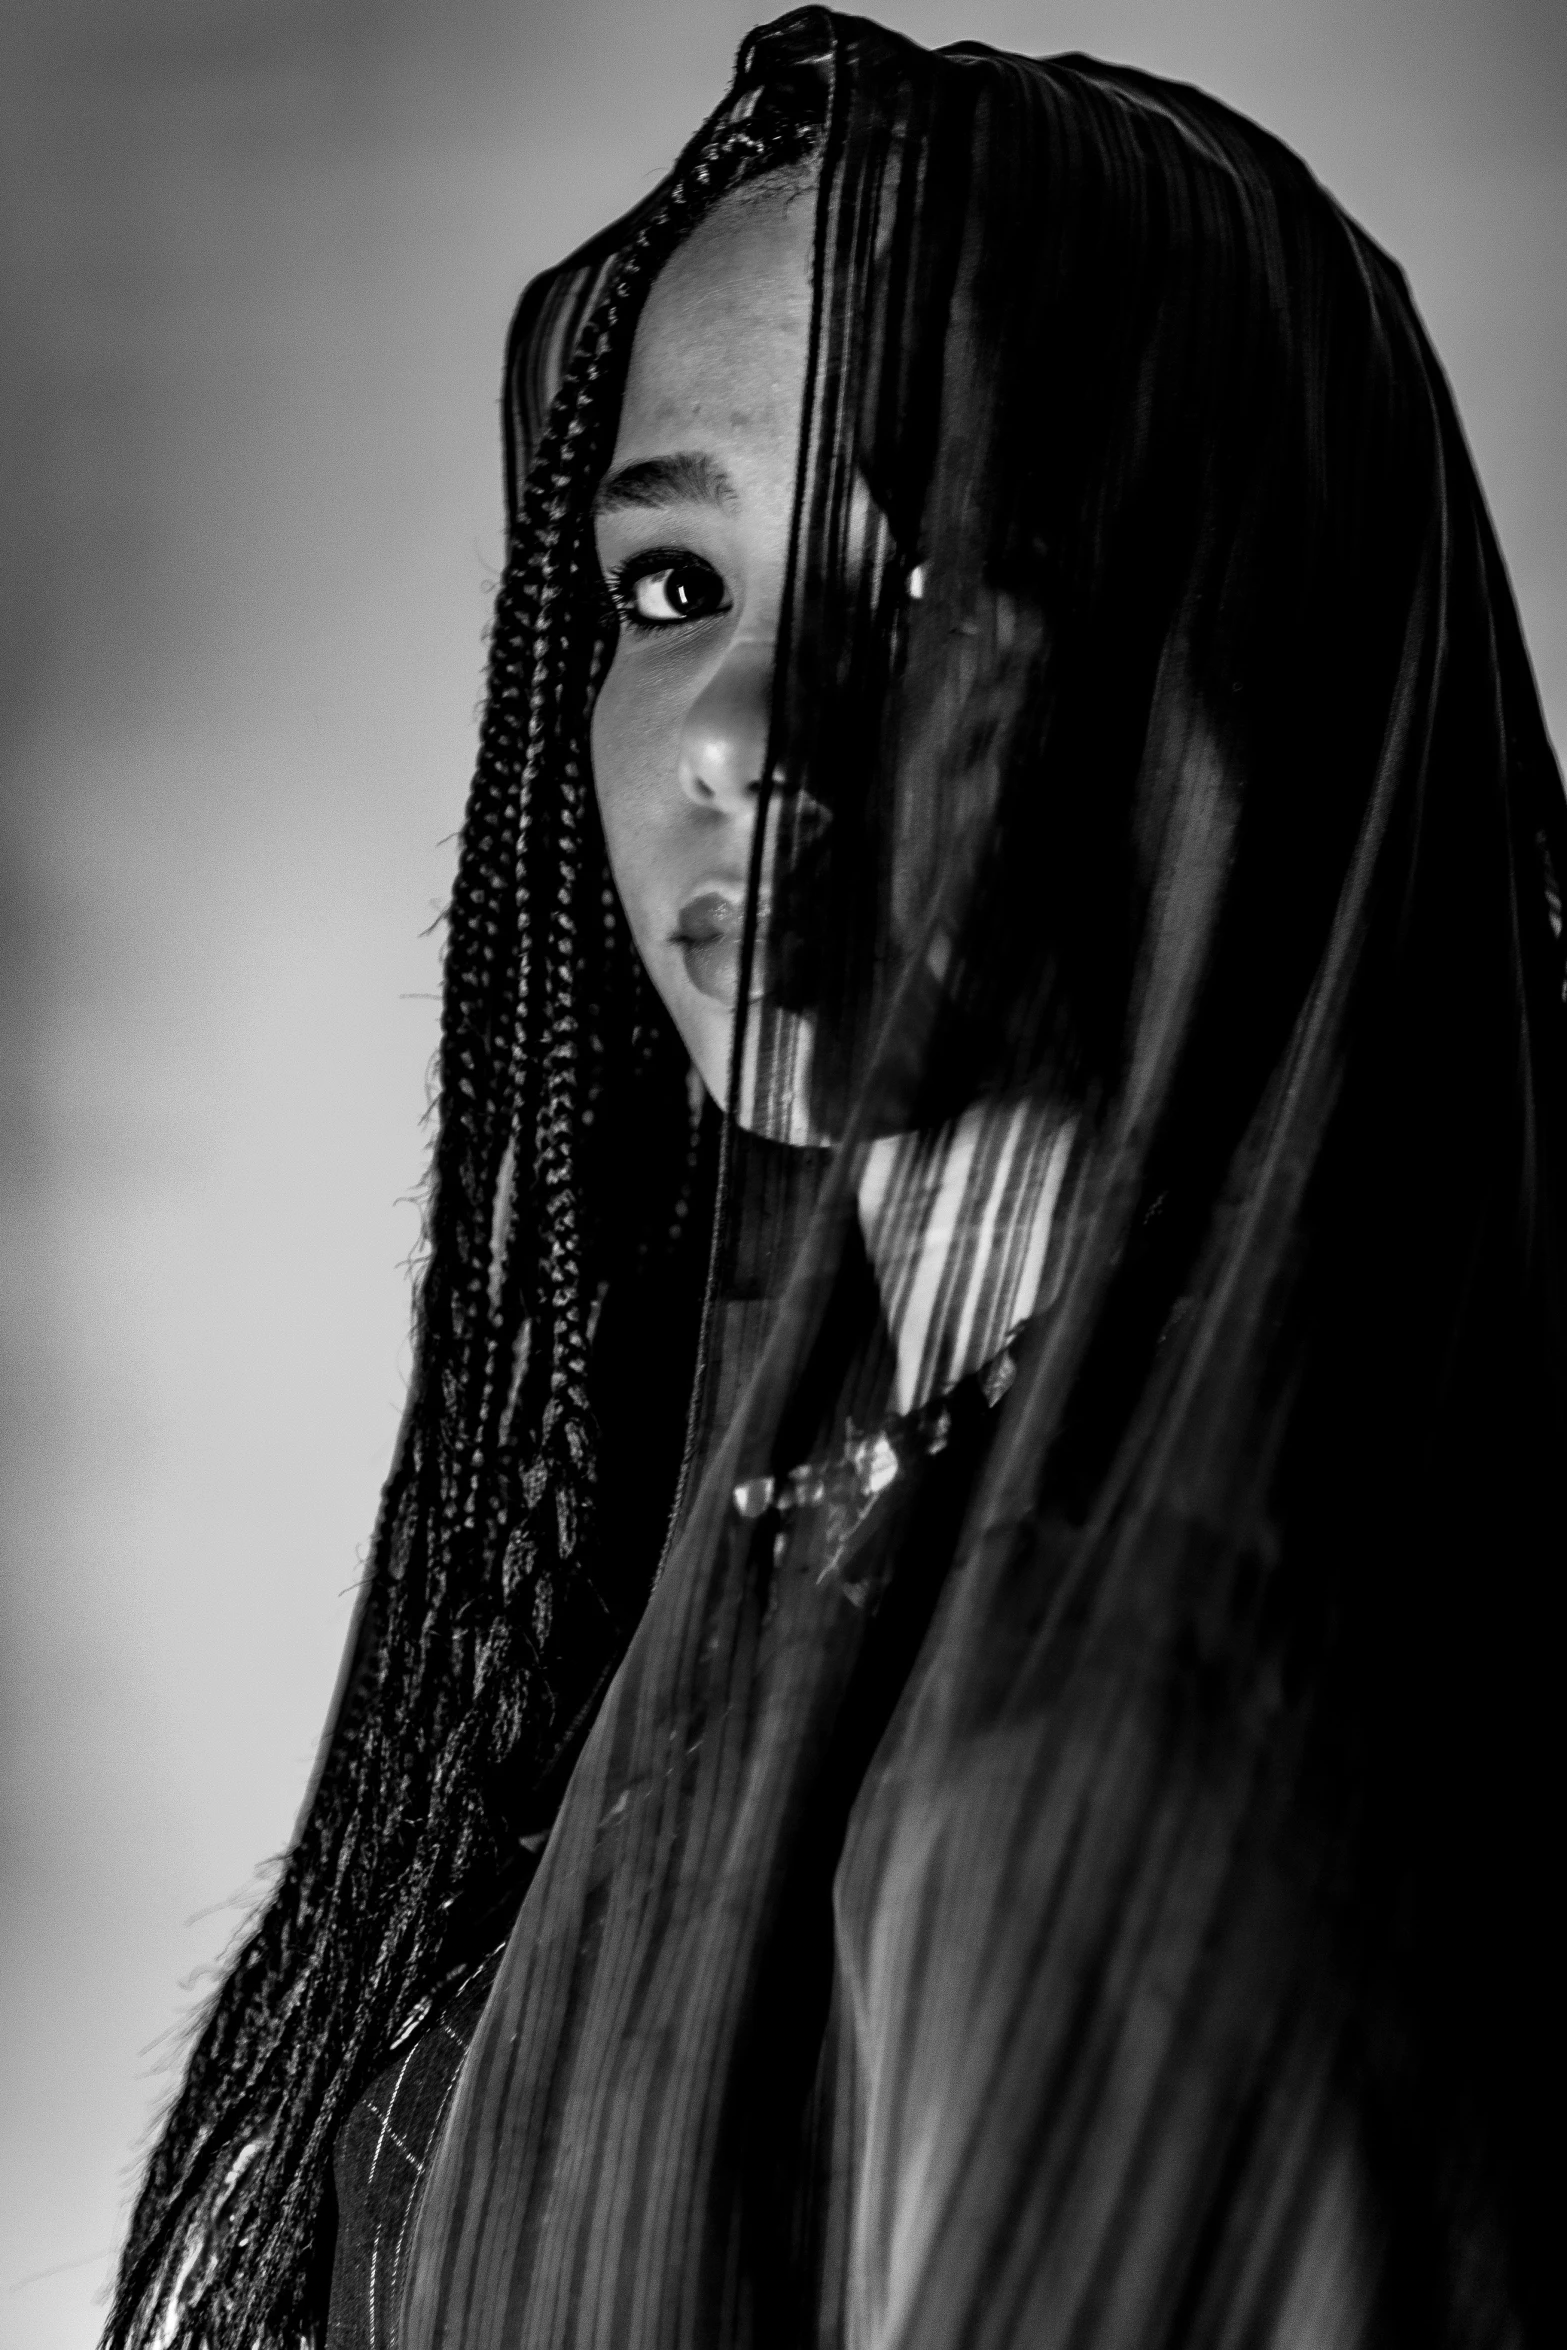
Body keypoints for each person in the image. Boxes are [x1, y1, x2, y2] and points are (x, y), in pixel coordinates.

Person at [105, 12, 1563, 2349]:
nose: (740, 736)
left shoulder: (1110, 1765)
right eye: (671, 584)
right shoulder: (791, 1561)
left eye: (922, 584)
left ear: (1219, 660)